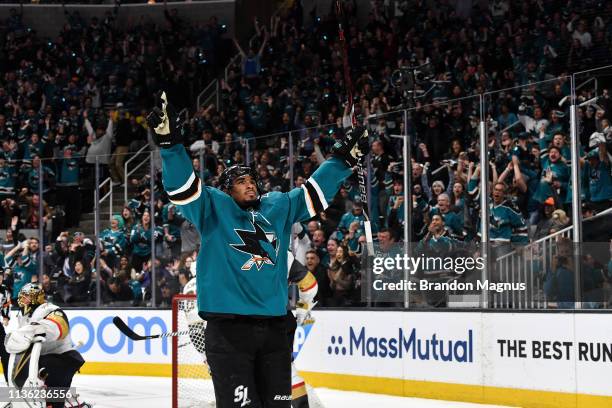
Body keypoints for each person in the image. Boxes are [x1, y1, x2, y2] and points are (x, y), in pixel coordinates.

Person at [147, 91, 368, 407]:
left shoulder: (277, 206)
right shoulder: (213, 208)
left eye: (251, 179)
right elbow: (182, 188)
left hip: (275, 332)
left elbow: (315, 192)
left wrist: (342, 160)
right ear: (227, 190)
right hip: (230, 333)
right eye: (240, 181)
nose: (249, 184)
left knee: (279, 404)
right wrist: (170, 146)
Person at [5, 283, 85, 408]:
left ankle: (69, 403)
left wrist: (36, 329)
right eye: (22, 296)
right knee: (35, 380)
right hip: (43, 359)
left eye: (26, 296)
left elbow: (59, 327)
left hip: (63, 358)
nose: (22, 300)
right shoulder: (23, 316)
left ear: (37, 298)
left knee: (50, 390)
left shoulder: (49, 309)